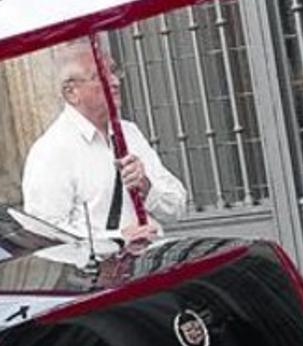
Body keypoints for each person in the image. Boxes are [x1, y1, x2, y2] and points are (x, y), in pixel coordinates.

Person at [22, 39, 188, 244]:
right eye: (100, 75)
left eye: (114, 71)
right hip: (104, 272)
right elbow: (45, 234)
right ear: (71, 92)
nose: (115, 81)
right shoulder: (51, 151)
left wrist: (146, 186)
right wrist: (118, 239)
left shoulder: (130, 133)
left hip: (155, 260)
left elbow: (177, 207)